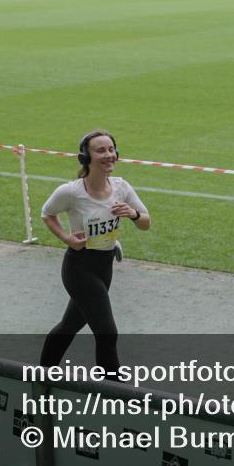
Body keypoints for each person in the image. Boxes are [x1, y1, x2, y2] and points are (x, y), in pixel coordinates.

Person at [39, 130, 150, 375]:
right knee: (107, 332)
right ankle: (112, 388)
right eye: (101, 150)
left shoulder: (122, 187)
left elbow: (146, 222)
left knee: (69, 325)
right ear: (85, 157)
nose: (108, 155)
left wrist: (132, 214)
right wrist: (67, 238)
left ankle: (42, 375)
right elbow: (47, 214)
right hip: (79, 268)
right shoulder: (72, 191)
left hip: (104, 267)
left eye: (111, 149)